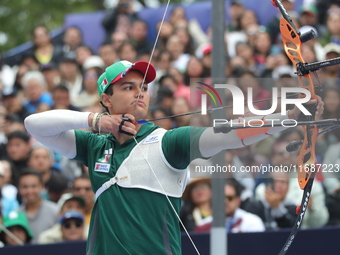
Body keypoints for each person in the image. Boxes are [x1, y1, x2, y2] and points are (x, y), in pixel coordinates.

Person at [24, 60, 324, 254]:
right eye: (128, 87)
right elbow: (34, 125)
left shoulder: (169, 142)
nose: (140, 93)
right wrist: (95, 121)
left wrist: (288, 116)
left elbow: (230, 133)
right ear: (106, 98)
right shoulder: (94, 145)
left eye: (144, 88)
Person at [194, 178, 265, 233]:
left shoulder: (252, 222)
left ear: (238, 201)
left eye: (230, 198)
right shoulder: (203, 226)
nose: (225, 201)